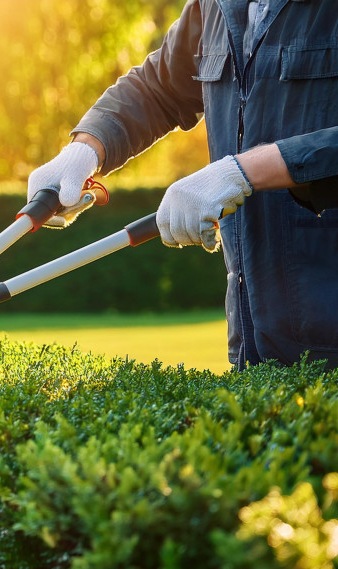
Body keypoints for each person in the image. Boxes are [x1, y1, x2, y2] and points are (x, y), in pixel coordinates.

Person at [28, 0, 338, 370]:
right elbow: (158, 88)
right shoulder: (215, 6)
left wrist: (244, 171)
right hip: (253, 346)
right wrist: (85, 149)